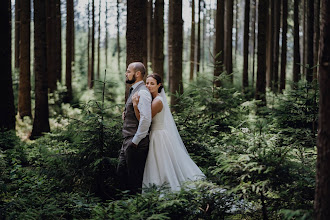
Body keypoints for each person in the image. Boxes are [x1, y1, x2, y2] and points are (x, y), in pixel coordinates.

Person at [132, 74, 205, 192]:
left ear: (159, 85)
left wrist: (135, 105)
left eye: (152, 83)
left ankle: (164, 188)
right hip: (155, 133)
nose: (148, 86)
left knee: (161, 164)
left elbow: (142, 119)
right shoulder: (153, 98)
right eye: (147, 83)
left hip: (158, 136)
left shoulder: (157, 101)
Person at [117, 62, 152, 194]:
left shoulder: (143, 92)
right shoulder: (135, 90)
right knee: (121, 175)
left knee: (134, 182)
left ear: (137, 74)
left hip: (135, 143)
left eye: (128, 71)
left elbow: (146, 119)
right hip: (128, 140)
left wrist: (135, 141)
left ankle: (136, 211)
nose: (126, 74)